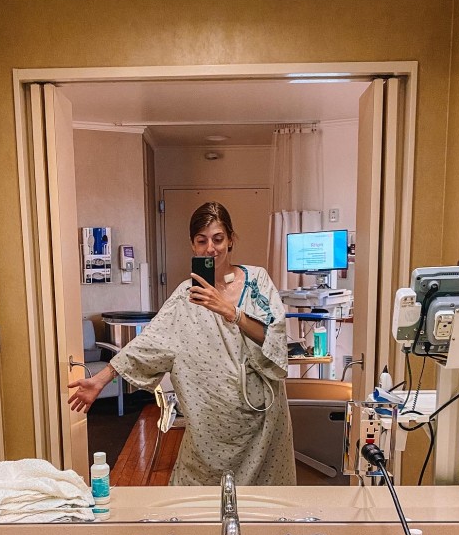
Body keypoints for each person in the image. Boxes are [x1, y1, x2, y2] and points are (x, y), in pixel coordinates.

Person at [68, 201, 296, 486]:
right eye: (202, 241)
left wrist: (231, 312)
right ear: (193, 245)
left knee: (262, 503)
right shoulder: (186, 296)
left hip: (260, 416)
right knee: (199, 496)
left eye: (218, 239)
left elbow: (274, 337)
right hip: (210, 421)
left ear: (231, 240)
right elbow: (150, 343)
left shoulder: (256, 281)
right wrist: (100, 378)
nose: (210, 249)